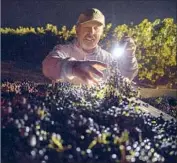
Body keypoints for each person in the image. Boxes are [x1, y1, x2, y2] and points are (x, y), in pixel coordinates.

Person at [42, 8, 138, 85]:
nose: (91, 32)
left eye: (96, 28)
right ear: (77, 30)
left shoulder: (107, 58)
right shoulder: (63, 50)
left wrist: (129, 57)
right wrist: (72, 67)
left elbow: (125, 77)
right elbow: (47, 67)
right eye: (87, 27)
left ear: (102, 32)